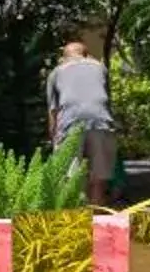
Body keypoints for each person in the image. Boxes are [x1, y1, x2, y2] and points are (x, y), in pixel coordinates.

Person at [46, 38, 117, 203]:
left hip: (70, 126)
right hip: (101, 123)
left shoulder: (56, 72)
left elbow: (53, 111)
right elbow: (106, 101)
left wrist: (54, 140)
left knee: (70, 179)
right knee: (98, 179)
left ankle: (76, 220)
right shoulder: (100, 68)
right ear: (87, 55)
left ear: (65, 57)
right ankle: (96, 218)